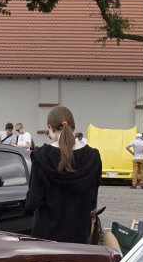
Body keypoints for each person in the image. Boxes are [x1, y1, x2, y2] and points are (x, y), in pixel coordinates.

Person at [25, 104, 102, 243]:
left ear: (50, 128)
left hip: (46, 239)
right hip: (79, 237)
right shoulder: (93, 158)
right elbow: (92, 202)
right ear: (74, 127)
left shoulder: (40, 156)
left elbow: (33, 202)